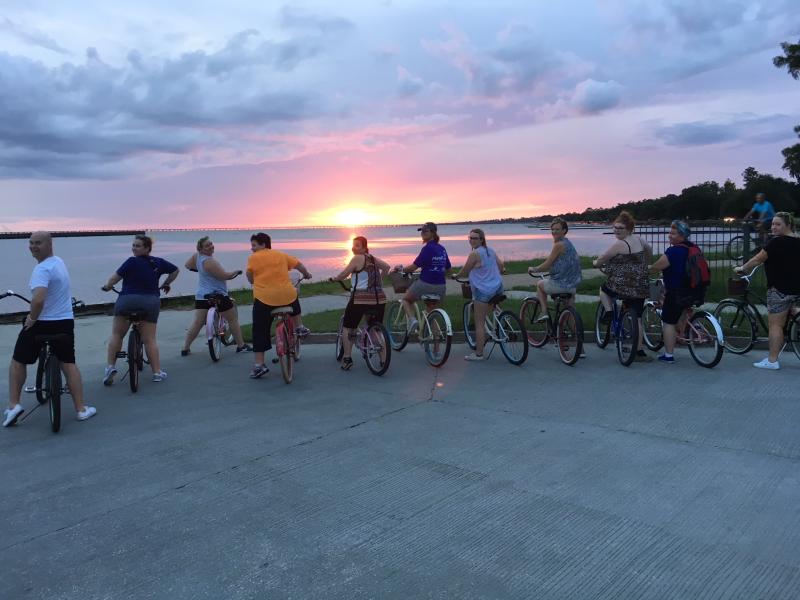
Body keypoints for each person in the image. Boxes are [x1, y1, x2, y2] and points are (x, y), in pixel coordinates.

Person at [4, 232, 96, 427]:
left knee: (18, 361)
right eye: (30, 243)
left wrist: (31, 318)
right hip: (63, 322)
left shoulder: (42, 270)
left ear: (49, 244)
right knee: (68, 363)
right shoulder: (58, 262)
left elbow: (38, 299)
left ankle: (13, 406)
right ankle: (81, 409)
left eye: (38, 243)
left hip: (42, 323)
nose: (33, 246)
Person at [101, 235, 179, 383]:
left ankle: (110, 367)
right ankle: (156, 372)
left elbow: (113, 279)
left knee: (117, 334)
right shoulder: (158, 262)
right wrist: (167, 283)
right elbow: (175, 270)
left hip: (127, 301)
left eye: (137, 246)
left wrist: (107, 287)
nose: (134, 248)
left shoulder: (131, 262)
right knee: (149, 339)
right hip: (150, 302)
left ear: (147, 248)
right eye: (133, 245)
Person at [734, 212, 800, 369]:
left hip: (779, 290)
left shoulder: (775, 243)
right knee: (793, 310)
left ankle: (772, 361)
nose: (774, 227)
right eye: (772, 224)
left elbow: (757, 259)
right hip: (797, 288)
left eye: (778, 224)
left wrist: (742, 268)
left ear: (788, 225)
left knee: (775, 325)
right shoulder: (798, 242)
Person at [246, 232, 312, 379]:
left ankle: (259, 365)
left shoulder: (253, 258)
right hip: (286, 297)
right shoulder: (281, 255)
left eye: (254, 245)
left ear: (263, 244)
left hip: (265, 300)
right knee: (292, 294)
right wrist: (306, 274)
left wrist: (253, 280)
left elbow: (250, 276)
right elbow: (299, 265)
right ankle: (300, 327)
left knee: (259, 329)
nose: (252, 249)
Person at [592, 211, 653, 362]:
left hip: (622, 285)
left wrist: (595, 263)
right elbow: (649, 248)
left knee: (604, 290)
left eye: (621, 228)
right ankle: (639, 351)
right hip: (640, 284)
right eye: (615, 227)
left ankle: (608, 311)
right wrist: (645, 263)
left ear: (629, 228)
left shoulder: (619, 244)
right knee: (637, 317)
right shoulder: (639, 240)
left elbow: (602, 259)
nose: (617, 231)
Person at [181, 236, 251, 356]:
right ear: (201, 249)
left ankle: (185, 348)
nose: (211, 247)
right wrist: (236, 272)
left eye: (211, 244)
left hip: (202, 295)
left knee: (197, 322)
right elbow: (224, 276)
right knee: (232, 319)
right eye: (207, 246)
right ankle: (241, 345)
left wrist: (201, 270)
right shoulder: (209, 262)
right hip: (218, 294)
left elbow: (188, 266)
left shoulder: (196, 256)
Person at [329, 236, 391, 370]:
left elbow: (344, 274)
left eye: (357, 245)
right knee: (376, 328)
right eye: (353, 245)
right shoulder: (373, 259)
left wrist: (335, 279)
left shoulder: (357, 257)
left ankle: (347, 358)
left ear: (364, 248)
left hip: (360, 299)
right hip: (379, 299)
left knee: (348, 327)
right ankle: (383, 360)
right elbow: (387, 267)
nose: (353, 247)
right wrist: (379, 281)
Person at [648, 221, 704, 363]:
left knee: (668, 321)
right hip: (696, 290)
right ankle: (683, 334)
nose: (669, 236)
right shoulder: (694, 248)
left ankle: (668, 355)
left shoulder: (673, 251)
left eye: (673, 233)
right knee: (682, 312)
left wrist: (647, 269)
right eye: (669, 232)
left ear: (682, 235)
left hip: (677, 292)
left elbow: (658, 266)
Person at [452, 228, 505, 361]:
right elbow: (501, 265)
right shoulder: (490, 250)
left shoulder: (474, 254)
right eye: (470, 238)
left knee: (479, 323)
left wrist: (456, 275)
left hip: (483, 290)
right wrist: (497, 273)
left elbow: (465, 270)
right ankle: (500, 320)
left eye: (475, 238)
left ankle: (479, 354)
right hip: (497, 287)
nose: (471, 240)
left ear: (481, 239)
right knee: (490, 308)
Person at [394, 222, 451, 332]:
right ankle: (436, 347)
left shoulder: (427, 248)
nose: (423, 233)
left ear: (433, 233)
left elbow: (413, 268)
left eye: (426, 231)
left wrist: (401, 269)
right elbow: (448, 269)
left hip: (426, 284)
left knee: (406, 300)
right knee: (431, 313)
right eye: (422, 231)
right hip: (441, 286)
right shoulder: (442, 249)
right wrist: (437, 271)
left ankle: (412, 320)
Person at [527, 218, 582, 314]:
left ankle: (544, 312)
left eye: (557, 229)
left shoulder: (559, 245)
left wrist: (534, 269)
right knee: (570, 310)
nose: (554, 232)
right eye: (552, 229)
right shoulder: (568, 243)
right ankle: (574, 328)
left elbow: (547, 265)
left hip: (561, 285)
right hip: (572, 285)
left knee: (540, 284)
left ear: (564, 231)